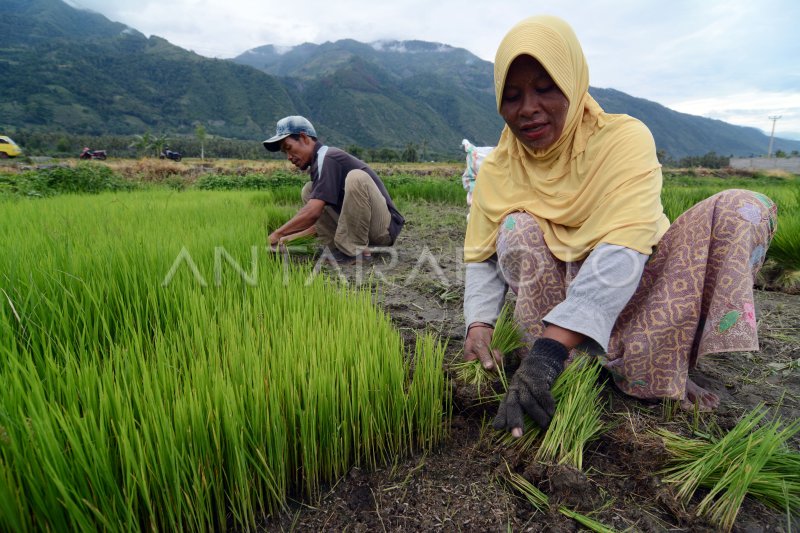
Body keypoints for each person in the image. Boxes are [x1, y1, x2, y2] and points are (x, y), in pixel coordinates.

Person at [462, 16, 777, 438]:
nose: (528, 108)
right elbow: (482, 256)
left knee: (744, 208)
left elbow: (624, 250)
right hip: (557, 300)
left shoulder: (622, 139)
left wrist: (546, 355)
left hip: (640, 289)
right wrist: (478, 325)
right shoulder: (499, 168)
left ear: (572, 83)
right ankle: (571, 367)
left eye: (545, 87)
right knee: (516, 228)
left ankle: (657, 367)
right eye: (512, 95)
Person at [263, 116, 405, 263]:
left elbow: (312, 213)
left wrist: (276, 235)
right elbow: (323, 224)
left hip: (383, 229)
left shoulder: (328, 157)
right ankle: (337, 249)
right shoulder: (318, 166)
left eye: (289, 148)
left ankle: (356, 251)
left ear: (304, 138)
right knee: (309, 190)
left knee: (356, 178)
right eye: (284, 153)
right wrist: (289, 239)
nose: (289, 157)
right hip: (364, 229)